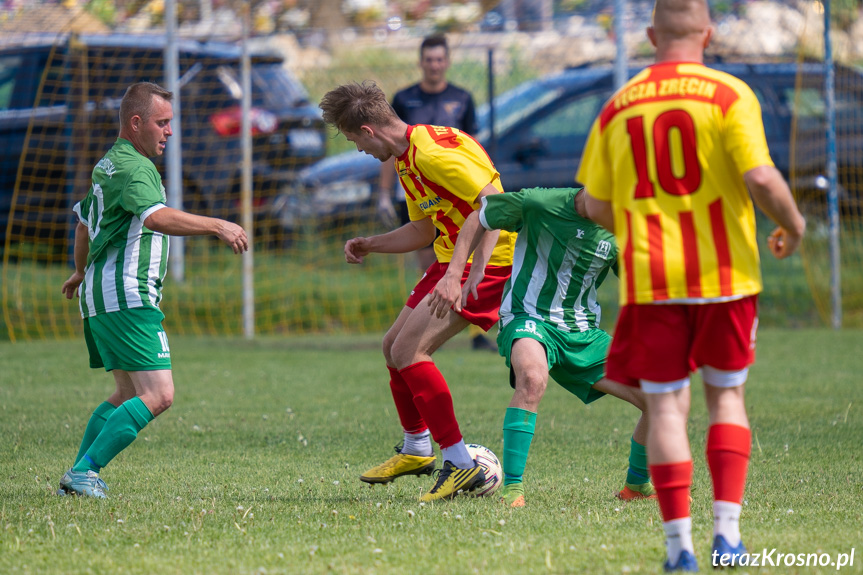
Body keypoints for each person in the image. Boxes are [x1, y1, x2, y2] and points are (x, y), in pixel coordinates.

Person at [577, 0, 806, 570]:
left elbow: (597, 202)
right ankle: (726, 537)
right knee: (726, 396)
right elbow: (759, 175)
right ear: (708, 32)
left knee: (667, 410)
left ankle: (679, 548)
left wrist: (638, 221)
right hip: (724, 279)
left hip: (653, 283)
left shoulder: (618, 105)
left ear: (651, 34)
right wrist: (793, 223)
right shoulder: (729, 94)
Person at [319, 81, 516, 502]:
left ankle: (461, 464)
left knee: (411, 351)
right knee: (393, 347)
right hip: (451, 260)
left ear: (369, 131)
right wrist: (372, 244)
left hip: (490, 263)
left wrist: (467, 270)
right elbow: (424, 229)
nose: (357, 150)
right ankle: (417, 448)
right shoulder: (409, 156)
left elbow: (495, 202)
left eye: (354, 140)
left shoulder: (431, 155)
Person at [58, 82, 248, 498]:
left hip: (102, 295)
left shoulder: (110, 163)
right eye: (162, 123)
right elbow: (156, 218)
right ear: (136, 122)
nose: (169, 132)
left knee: (127, 393)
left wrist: (78, 272)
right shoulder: (135, 169)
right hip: (127, 295)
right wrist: (218, 224)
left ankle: (76, 474)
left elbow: (83, 225)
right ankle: (86, 471)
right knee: (159, 394)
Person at [428, 187, 656, 508]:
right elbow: (481, 215)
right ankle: (513, 490)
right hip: (527, 316)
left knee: (659, 397)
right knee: (532, 378)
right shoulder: (539, 203)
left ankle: (636, 483)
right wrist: (457, 272)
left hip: (583, 333)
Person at [375, 34, 495, 352]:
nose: (434, 65)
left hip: (458, 195)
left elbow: (473, 150)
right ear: (421, 62)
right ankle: (433, 317)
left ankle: (470, 332)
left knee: (463, 255)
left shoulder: (462, 98)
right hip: (420, 195)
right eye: (429, 60)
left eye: (440, 59)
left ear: (447, 62)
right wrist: (384, 193)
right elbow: (390, 151)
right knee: (429, 259)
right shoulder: (404, 98)